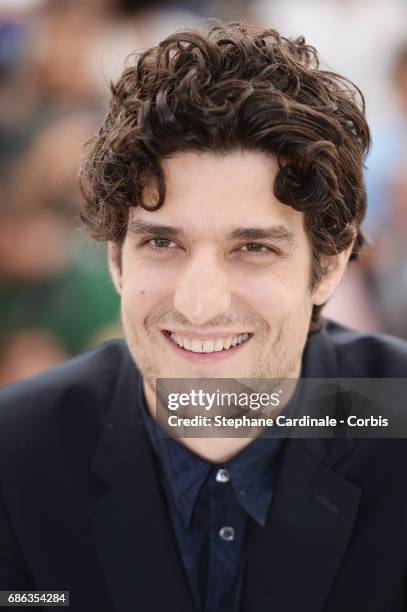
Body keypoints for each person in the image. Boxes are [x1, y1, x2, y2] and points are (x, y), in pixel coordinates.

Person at [1, 21, 407, 612]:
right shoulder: (17, 454)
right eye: (163, 244)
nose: (199, 303)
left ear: (327, 267)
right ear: (116, 259)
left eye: (253, 248)